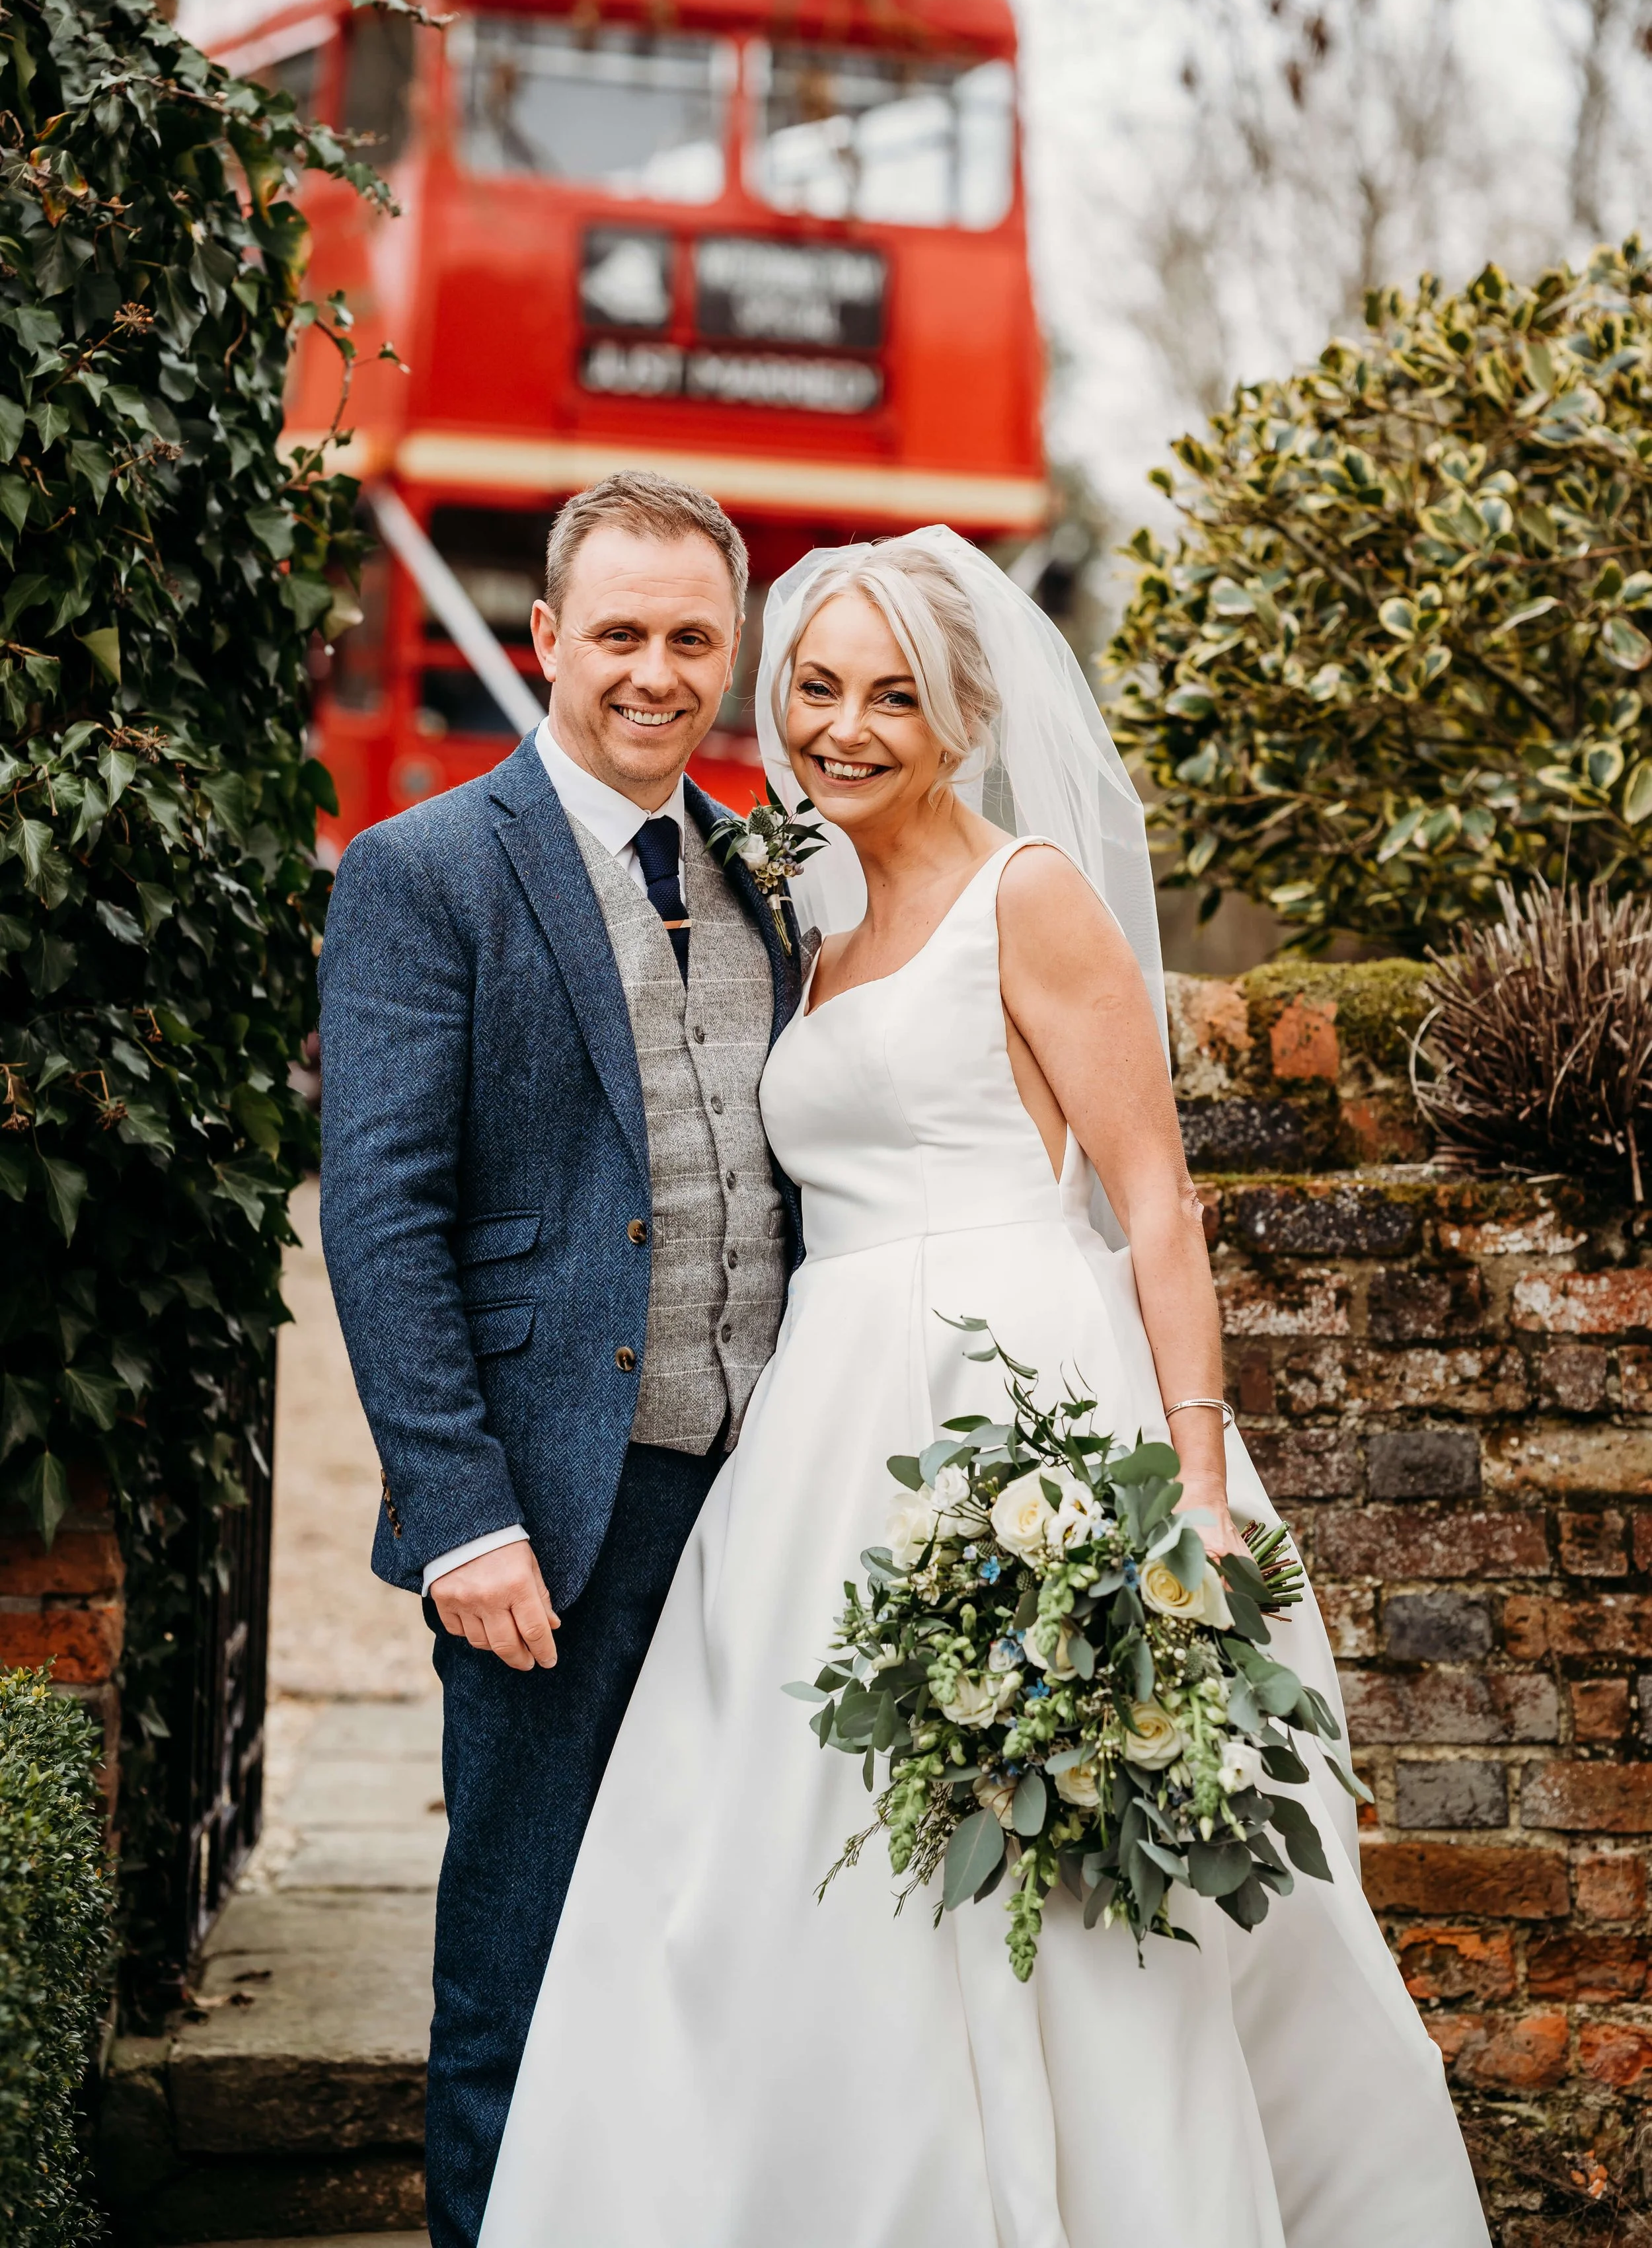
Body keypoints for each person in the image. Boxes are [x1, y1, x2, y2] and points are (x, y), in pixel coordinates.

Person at [478, 528, 1491, 2248]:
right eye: (813, 688)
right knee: (773, 1868)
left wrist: (1185, 1479)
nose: (845, 725)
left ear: (959, 712)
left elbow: (1154, 1198)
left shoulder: (1030, 894)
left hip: (1005, 1401)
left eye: (892, 694)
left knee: (1043, 1868)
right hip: (816, 1441)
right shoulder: (809, 895)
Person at [318, 472, 806, 2248]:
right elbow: (379, 1214)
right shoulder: (424, 872)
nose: (656, 672)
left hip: (766, 1506)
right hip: (550, 1518)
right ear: (544, 640)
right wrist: (459, 1515)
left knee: (725, 1932)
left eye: (692, 636)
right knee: (516, 1959)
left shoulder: (769, 881)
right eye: (620, 633)